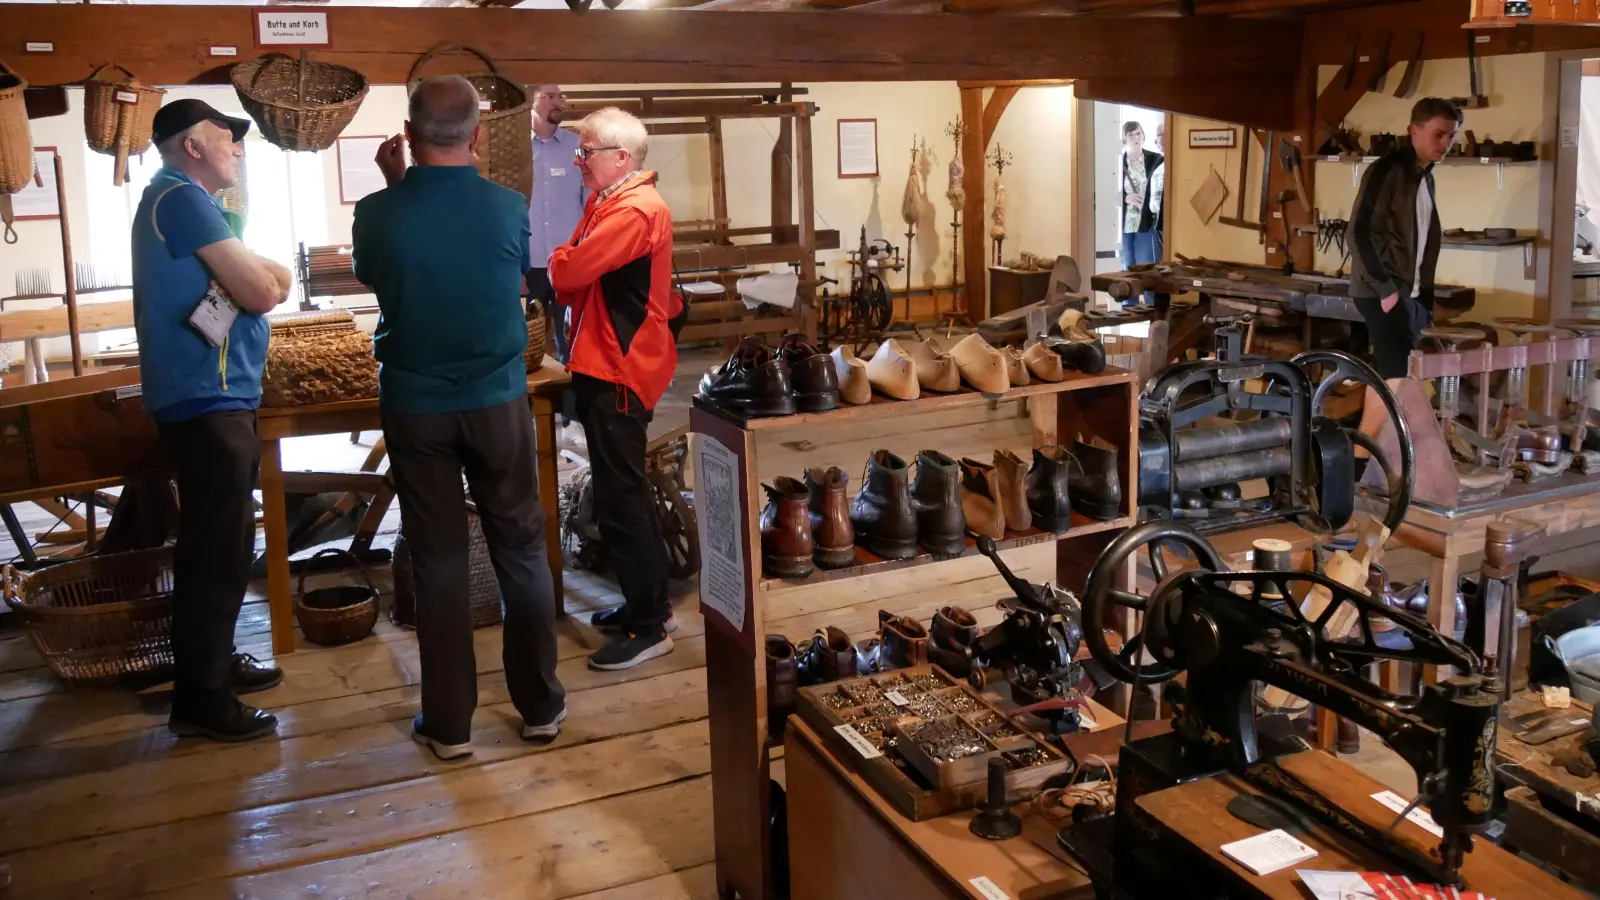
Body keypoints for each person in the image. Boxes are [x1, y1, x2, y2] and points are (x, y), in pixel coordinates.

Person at [352, 75, 566, 760]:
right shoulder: (509, 207)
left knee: (439, 559)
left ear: (409, 138)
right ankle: (539, 708)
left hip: (416, 405)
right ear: (477, 136)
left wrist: (393, 187)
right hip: (499, 397)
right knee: (521, 548)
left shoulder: (378, 212)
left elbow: (377, 276)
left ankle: (449, 725)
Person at [133, 98, 292, 742]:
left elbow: (269, 276)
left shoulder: (185, 202)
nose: (237, 150)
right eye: (227, 138)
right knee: (216, 552)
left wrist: (267, 277)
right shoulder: (181, 198)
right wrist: (266, 281)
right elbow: (259, 291)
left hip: (212, 396)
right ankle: (202, 699)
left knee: (220, 545)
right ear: (193, 145)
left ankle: (214, 665)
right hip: (205, 397)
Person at [548, 107, 682, 671]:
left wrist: (566, 259)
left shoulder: (634, 210)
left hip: (620, 367)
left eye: (588, 151)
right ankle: (646, 606)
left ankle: (651, 625)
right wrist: (570, 258)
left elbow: (565, 273)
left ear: (621, 158)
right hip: (606, 360)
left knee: (624, 496)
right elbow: (572, 262)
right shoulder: (613, 202)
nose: (579, 160)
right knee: (621, 490)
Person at [1349, 97, 1460, 468]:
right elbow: (1359, 232)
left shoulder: (1424, 175)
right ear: (1414, 130)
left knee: (1390, 375)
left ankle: (1368, 459)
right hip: (1384, 292)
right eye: (1438, 134)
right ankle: (1358, 461)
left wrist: (1423, 299)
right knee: (1394, 377)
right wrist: (1385, 289)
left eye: (1451, 137)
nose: (1445, 143)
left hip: (1408, 296)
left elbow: (1424, 239)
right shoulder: (1387, 170)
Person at [526, 84, 586, 365]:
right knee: (528, 339)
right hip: (530, 261)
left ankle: (572, 407)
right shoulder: (516, 151)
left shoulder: (577, 147)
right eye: (549, 96)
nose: (558, 102)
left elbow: (590, 204)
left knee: (571, 338)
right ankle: (530, 405)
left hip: (570, 260)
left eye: (561, 97)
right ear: (531, 102)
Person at [1119, 121, 1162, 305]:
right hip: (1125, 223)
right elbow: (1108, 190)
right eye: (1131, 135)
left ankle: (1154, 307)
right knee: (1128, 267)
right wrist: (1125, 198)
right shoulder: (1119, 161)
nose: (1136, 138)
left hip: (1146, 222)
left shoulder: (1155, 159)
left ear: (1143, 135)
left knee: (1147, 266)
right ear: (1125, 138)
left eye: (1138, 134)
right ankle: (1130, 307)